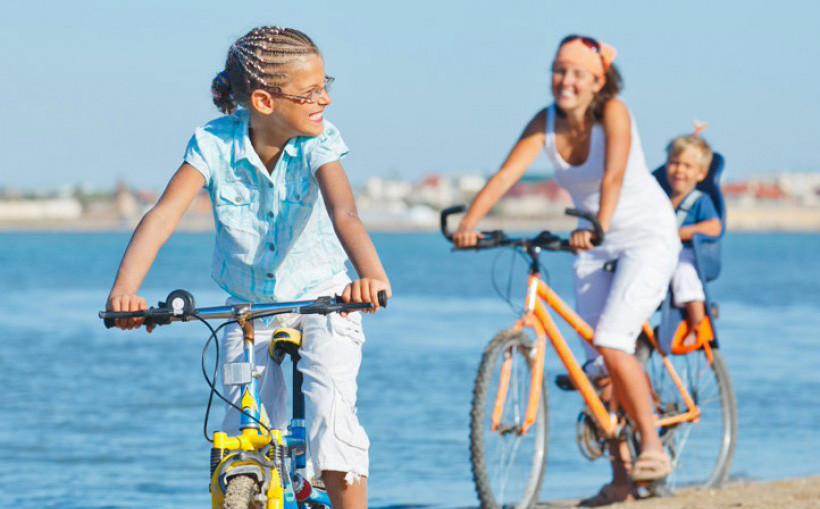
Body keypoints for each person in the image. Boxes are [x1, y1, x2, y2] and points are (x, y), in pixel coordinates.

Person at [105, 26, 391, 509]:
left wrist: (372, 276)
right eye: (310, 92)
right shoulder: (213, 144)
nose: (324, 99)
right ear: (263, 100)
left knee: (331, 419)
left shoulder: (318, 141)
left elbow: (345, 213)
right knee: (244, 433)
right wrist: (124, 292)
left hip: (327, 301)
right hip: (249, 309)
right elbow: (162, 217)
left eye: (327, 86)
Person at [453, 35, 681, 505]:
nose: (566, 80)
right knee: (594, 368)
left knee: (614, 339)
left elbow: (613, 176)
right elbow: (504, 175)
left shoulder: (613, 112)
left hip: (645, 235)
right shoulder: (546, 121)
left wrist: (599, 224)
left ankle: (654, 448)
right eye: (559, 70)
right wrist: (469, 223)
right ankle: (623, 480)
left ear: (598, 79)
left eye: (577, 72)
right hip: (593, 243)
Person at [664, 134, 722, 347]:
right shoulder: (661, 199)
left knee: (683, 272)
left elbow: (715, 226)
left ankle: (698, 322)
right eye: (675, 163)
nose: (679, 170)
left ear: (701, 173)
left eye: (687, 166)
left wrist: (679, 232)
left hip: (687, 253)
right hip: (661, 253)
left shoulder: (700, 200)